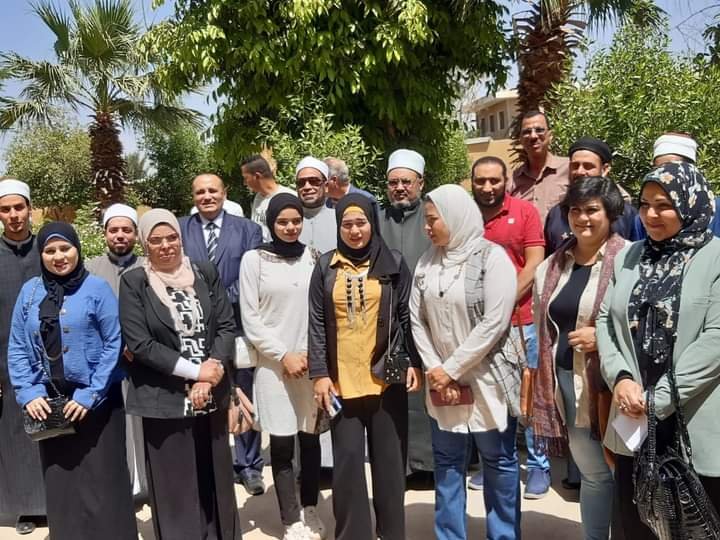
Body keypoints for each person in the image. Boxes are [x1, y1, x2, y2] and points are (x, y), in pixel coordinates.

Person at [598, 162, 720, 536]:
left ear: (690, 204)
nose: (651, 214)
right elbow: (605, 320)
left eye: (664, 205)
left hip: (691, 420)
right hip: (633, 417)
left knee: (696, 525)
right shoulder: (629, 256)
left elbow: (715, 339)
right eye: (645, 204)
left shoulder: (715, 258)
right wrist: (620, 378)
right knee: (634, 524)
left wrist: (657, 400)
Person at [9, 222, 137, 540]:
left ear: (77, 249)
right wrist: (28, 392)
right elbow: (18, 346)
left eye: (65, 248)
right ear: (41, 255)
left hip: (98, 404)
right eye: (50, 250)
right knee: (62, 484)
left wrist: (90, 394)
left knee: (104, 483)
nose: (58, 256)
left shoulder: (96, 289)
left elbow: (114, 343)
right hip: (50, 404)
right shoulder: (30, 292)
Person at [119, 209, 241, 539]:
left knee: (214, 478)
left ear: (180, 237)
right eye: (156, 240)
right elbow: (140, 343)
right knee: (176, 486)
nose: (166, 246)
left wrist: (209, 373)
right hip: (165, 398)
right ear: (144, 244)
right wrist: (195, 371)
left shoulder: (203, 271)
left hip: (211, 392)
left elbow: (226, 325)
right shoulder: (134, 281)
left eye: (171, 237)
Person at [309, 194, 422, 540]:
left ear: (372, 223)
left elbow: (406, 316)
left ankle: (391, 533)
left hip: (385, 379)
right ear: (339, 227)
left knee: (389, 465)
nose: (355, 231)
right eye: (347, 224)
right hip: (341, 382)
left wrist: (414, 362)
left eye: (361, 223)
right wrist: (320, 374)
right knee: (347, 465)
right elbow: (316, 322)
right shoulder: (326, 265)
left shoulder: (393, 261)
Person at [410, 184, 520, 540]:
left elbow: (495, 322)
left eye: (433, 220)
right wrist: (435, 368)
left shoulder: (492, 258)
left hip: (487, 378)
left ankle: (503, 534)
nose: (427, 227)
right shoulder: (427, 261)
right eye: (426, 220)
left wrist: (451, 368)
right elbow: (416, 319)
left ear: (455, 217)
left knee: (498, 462)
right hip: (441, 380)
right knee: (447, 463)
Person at [533, 177, 628, 540]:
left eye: (592, 210)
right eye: (575, 210)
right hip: (568, 384)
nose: (582, 218)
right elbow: (543, 327)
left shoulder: (631, 259)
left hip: (617, 386)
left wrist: (601, 336)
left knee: (625, 474)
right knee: (594, 475)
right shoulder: (552, 266)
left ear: (610, 213)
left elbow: (646, 323)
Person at [240, 194, 326, 540]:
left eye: (296, 221)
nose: (290, 227)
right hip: (274, 367)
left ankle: (310, 507)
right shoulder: (254, 260)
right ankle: (291, 519)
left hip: (309, 363)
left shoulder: (313, 257)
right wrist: (283, 354)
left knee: (310, 438)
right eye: (282, 222)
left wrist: (308, 355)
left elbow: (320, 311)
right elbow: (251, 317)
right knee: (281, 443)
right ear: (271, 223)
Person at [470, 157, 551, 499]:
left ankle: (538, 466)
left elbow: (534, 264)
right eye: (481, 181)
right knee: (490, 397)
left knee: (528, 397)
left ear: (506, 181)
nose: (488, 187)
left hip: (521, 321)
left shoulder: (525, 212)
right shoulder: (467, 216)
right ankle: (494, 463)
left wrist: (501, 305)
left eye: (494, 180)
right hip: (477, 326)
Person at [179, 172, 265, 495]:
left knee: (243, 392)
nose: (207, 196)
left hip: (239, 325)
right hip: (194, 330)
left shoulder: (248, 230)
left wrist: (217, 301)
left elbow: (253, 276)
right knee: (202, 395)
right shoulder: (180, 229)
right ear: (193, 196)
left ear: (224, 193)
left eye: (212, 190)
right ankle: (209, 466)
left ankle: (249, 466)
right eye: (200, 192)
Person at [378, 148, 434, 475]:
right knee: (395, 390)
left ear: (420, 183)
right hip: (388, 324)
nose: (399, 188)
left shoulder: (432, 215)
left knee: (426, 392)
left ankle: (428, 464)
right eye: (393, 182)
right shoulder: (377, 217)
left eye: (406, 182)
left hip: (428, 319)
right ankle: (401, 465)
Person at [86, 203, 147, 500]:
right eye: (114, 230)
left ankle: (146, 484)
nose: (120, 235)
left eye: (126, 230)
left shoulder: (149, 267)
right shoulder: (90, 269)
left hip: (145, 360)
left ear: (135, 234)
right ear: (105, 233)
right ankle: (122, 485)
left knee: (144, 425)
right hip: (106, 364)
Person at [0, 179, 45, 535]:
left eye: (19, 207)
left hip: (53, 358)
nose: (14, 215)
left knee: (55, 431)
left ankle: (56, 500)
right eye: (6, 209)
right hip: (6, 362)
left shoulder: (49, 249)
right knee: (16, 435)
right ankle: (26, 507)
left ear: (30, 209)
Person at [544, 137, 639, 255]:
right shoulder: (556, 214)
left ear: (605, 169)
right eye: (575, 166)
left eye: (588, 166)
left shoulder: (626, 214)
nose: (580, 171)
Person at [508, 110, 570, 223]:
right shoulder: (512, 180)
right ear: (520, 139)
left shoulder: (569, 169)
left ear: (550, 136)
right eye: (527, 132)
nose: (533, 136)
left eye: (539, 130)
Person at [241, 154, 297, 240]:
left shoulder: (289, 197)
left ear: (257, 176)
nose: (244, 183)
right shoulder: (258, 197)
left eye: (245, 178)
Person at [296, 156, 338, 254]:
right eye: (301, 183)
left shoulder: (340, 219)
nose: (307, 187)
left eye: (314, 181)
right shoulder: (286, 222)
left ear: (326, 186)